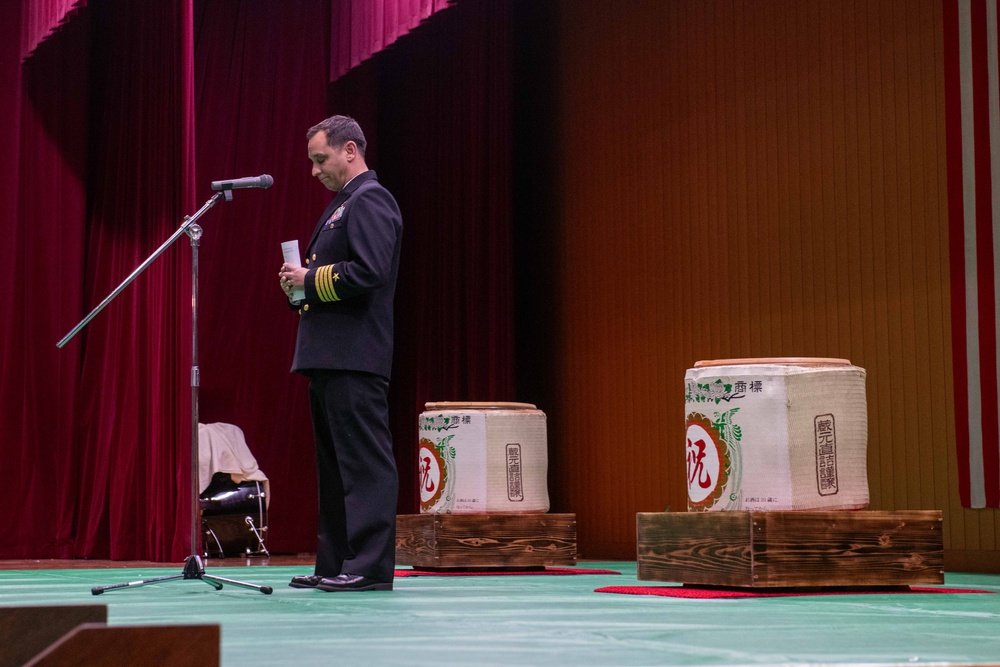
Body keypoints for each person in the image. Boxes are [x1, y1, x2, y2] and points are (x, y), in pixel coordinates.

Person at [278, 115, 402, 592]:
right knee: (334, 468)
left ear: (350, 150)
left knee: (364, 464)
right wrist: (300, 286)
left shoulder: (371, 199)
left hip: (356, 353)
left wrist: (310, 280)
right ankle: (334, 562)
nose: (314, 170)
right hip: (330, 353)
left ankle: (369, 566)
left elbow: (369, 271)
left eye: (320, 159)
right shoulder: (343, 205)